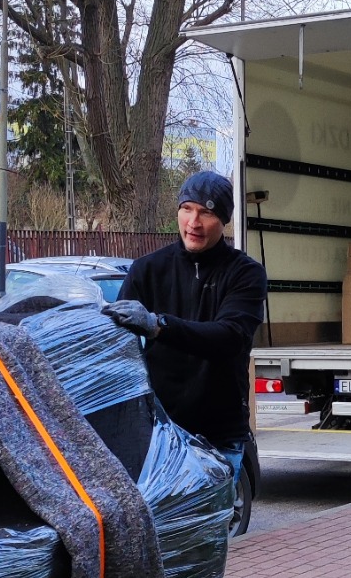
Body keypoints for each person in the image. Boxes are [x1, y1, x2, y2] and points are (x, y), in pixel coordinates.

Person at [105, 171, 266, 486]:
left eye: (206, 212)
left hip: (219, 436)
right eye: (187, 209)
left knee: (210, 519)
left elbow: (230, 337)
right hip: (157, 434)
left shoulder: (245, 273)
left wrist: (158, 325)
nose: (194, 222)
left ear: (224, 220)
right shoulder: (147, 270)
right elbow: (117, 350)